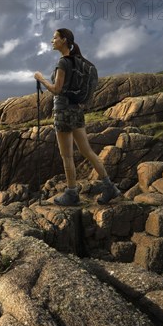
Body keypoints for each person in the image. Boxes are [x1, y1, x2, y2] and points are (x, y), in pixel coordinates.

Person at [34, 28, 121, 206]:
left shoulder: (63, 63)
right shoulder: (80, 61)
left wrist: (41, 79)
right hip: (76, 110)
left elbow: (57, 90)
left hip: (63, 111)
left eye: (55, 38)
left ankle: (72, 193)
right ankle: (109, 187)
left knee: (66, 155)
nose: (52, 41)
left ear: (64, 40)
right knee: (86, 150)